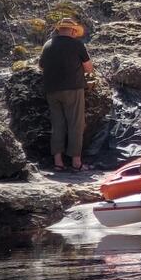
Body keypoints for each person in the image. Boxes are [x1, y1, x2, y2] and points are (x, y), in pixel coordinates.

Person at [38, 18, 93, 172]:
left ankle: (58, 162)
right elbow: (89, 68)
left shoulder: (48, 45)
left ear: (59, 29)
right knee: (76, 124)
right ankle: (76, 162)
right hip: (73, 89)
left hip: (52, 91)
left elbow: (41, 66)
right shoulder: (77, 44)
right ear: (73, 30)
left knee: (57, 125)